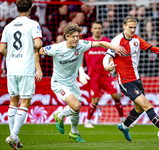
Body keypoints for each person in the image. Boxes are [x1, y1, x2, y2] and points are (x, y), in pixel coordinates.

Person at [37, 23, 126, 142]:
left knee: (76, 108)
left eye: (78, 36)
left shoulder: (81, 45)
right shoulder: (56, 48)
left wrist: (114, 47)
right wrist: (38, 70)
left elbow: (100, 43)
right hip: (59, 83)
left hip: (72, 82)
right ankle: (59, 116)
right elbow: (37, 52)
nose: (76, 39)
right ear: (67, 37)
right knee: (76, 105)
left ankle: (74, 132)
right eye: (73, 36)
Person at [103, 16, 159, 142]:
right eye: (130, 27)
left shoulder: (136, 40)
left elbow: (152, 48)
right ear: (124, 26)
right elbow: (107, 56)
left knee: (139, 109)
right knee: (147, 105)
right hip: (125, 81)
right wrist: (106, 66)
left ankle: (124, 127)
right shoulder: (117, 40)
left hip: (137, 80)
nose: (132, 30)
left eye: (134, 27)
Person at [0, 0, 43, 149]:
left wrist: (12, 56)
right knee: (24, 102)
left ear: (17, 9)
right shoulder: (33, 24)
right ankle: (13, 136)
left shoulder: (8, 26)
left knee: (13, 101)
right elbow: (37, 44)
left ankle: (14, 137)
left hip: (11, 68)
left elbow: (1, 49)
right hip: (26, 68)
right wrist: (35, 50)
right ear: (31, 9)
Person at [78, 21, 125, 128]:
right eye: (95, 28)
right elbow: (80, 57)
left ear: (102, 29)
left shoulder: (107, 41)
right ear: (91, 30)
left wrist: (113, 64)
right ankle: (88, 121)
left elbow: (113, 55)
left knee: (116, 97)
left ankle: (123, 120)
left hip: (106, 75)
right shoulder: (86, 42)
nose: (97, 30)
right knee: (95, 100)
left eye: (99, 28)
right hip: (93, 76)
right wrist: (81, 70)